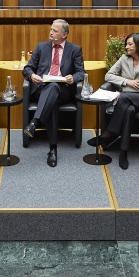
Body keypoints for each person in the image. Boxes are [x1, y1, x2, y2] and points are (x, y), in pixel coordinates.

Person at [88, 33, 139, 170]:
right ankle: (123, 152)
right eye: (127, 44)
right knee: (129, 110)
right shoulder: (124, 59)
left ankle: (109, 133)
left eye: (130, 44)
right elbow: (108, 76)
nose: (126, 47)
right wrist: (127, 81)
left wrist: (124, 89)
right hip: (127, 100)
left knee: (124, 97)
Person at [23, 19, 85, 167]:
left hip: (63, 90)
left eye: (55, 31)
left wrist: (73, 78)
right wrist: (32, 75)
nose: (51, 32)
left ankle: (35, 123)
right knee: (52, 98)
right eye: (51, 29)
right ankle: (52, 149)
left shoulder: (75, 50)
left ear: (64, 34)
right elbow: (27, 68)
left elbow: (81, 72)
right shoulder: (41, 47)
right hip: (40, 89)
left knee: (54, 88)